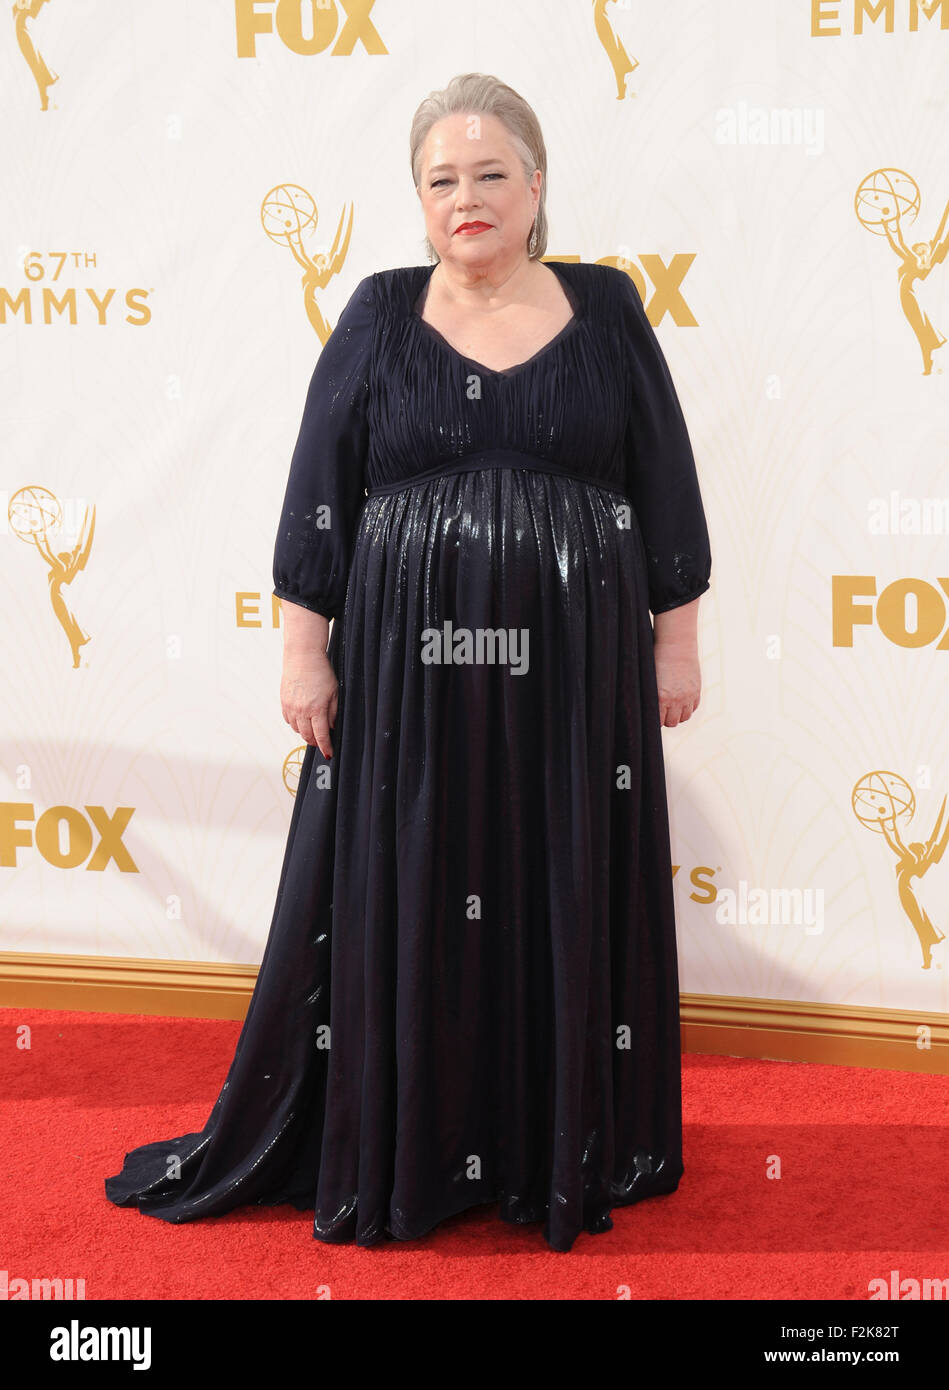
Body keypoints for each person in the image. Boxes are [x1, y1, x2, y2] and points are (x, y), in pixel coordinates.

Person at [105, 71, 712, 1254]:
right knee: (423, 871)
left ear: (537, 186)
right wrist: (303, 651)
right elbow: (317, 487)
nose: (467, 197)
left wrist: (674, 635)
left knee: (555, 873)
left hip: (578, 676)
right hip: (406, 678)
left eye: (492, 174)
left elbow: (664, 475)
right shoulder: (379, 312)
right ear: (417, 200)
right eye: (442, 179)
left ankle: (556, 1140)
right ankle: (418, 1140)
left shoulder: (609, 306)